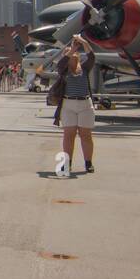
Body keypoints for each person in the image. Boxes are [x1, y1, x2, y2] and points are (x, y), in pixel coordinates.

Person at [52, 34, 96, 174]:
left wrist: (83, 42)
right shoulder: (64, 71)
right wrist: (71, 49)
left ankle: (88, 163)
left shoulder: (85, 68)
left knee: (85, 134)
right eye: (69, 53)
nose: (73, 53)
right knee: (69, 134)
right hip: (68, 104)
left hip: (85, 104)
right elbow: (60, 64)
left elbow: (92, 57)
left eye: (75, 52)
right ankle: (67, 163)